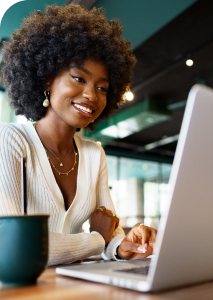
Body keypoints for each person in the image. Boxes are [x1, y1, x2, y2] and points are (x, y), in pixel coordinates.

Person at [0, 4, 157, 266]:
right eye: (78, 78)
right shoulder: (11, 140)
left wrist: (124, 245)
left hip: (75, 288)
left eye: (103, 88)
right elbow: (15, 247)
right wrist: (96, 239)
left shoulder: (94, 153)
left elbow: (111, 232)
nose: (91, 95)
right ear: (47, 79)